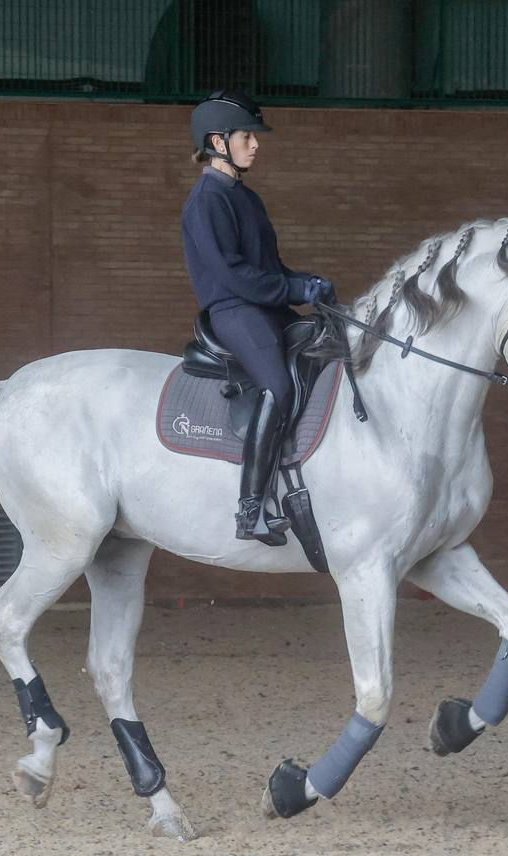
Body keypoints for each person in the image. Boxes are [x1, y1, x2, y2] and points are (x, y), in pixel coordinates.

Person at [181, 89, 334, 545]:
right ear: (218, 142)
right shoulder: (206, 200)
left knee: (332, 346)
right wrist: (292, 289)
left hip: (265, 303)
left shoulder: (247, 198)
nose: (255, 143)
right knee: (279, 386)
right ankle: (251, 509)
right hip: (234, 310)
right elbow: (235, 276)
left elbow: (271, 268)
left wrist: (309, 283)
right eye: (246, 135)